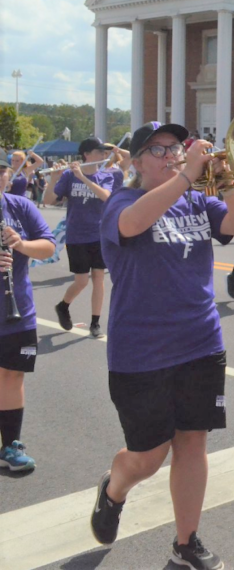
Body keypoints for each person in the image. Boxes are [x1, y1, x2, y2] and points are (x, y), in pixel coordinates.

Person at [90, 121, 234, 570]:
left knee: (192, 443)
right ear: (136, 162)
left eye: (175, 148)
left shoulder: (199, 199)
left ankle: (186, 543)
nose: (171, 155)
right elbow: (134, 223)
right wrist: (185, 175)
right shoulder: (122, 202)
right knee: (147, 457)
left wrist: (226, 180)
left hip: (201, 342)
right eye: (158, 150)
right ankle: (114, 487)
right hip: (141, 352)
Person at [0, 151, 57, 473]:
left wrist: (20, 245)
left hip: (17, 307)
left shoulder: (20, 206)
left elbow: (48, 246)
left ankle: (10, 444)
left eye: (2, 172)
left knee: (11, 374)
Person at [43, 138, 129, 338]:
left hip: (100, 235)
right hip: (77, 235)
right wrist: (54, 179)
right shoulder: (68, 176)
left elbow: (106, 197)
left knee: (98, 278)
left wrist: (84, 177)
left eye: (104, 151)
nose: (103, 155)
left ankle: (95, 322)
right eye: (99, 151)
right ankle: (63, 306)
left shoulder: (108, 174)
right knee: (81, 281)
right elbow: (48, 200)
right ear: (86, 155)